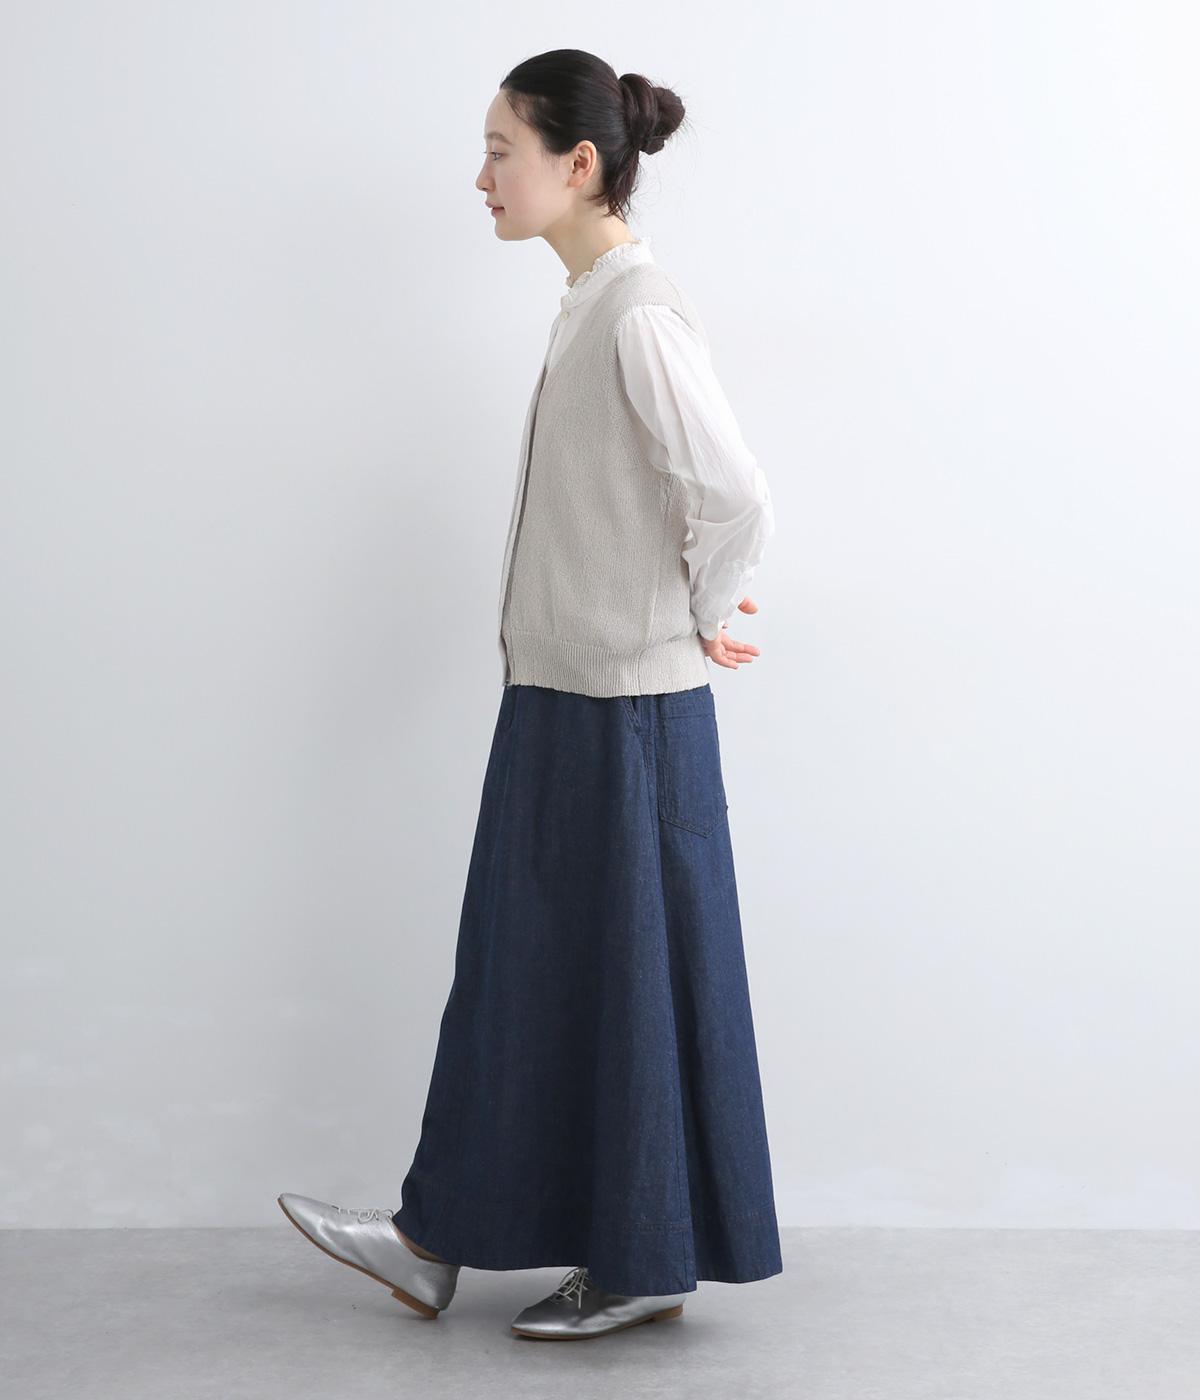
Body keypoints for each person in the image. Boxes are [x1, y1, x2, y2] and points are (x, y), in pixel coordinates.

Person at [278, 48, 782, 1342]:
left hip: (625, 709)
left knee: (619, 987)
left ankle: (635, 1260)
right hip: (567, 695)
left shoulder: (638, 312)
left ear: (579, 162)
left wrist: (705, 612)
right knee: (524, 975)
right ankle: (433, 1242)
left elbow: (733, 492)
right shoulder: (591, 304)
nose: (483, 176)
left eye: (502, 149)